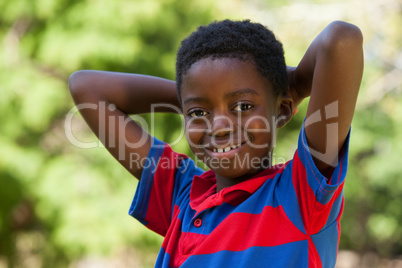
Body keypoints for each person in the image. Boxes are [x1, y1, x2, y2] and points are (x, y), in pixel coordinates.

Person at [68, 19, 363, 267]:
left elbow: (341, 41)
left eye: (244, 106)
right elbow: (85, 87)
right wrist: (192, 92)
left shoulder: (301, 195)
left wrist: (295, 84)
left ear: (282, 110)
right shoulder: (182, 195)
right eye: (198, 113)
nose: (219, 127)